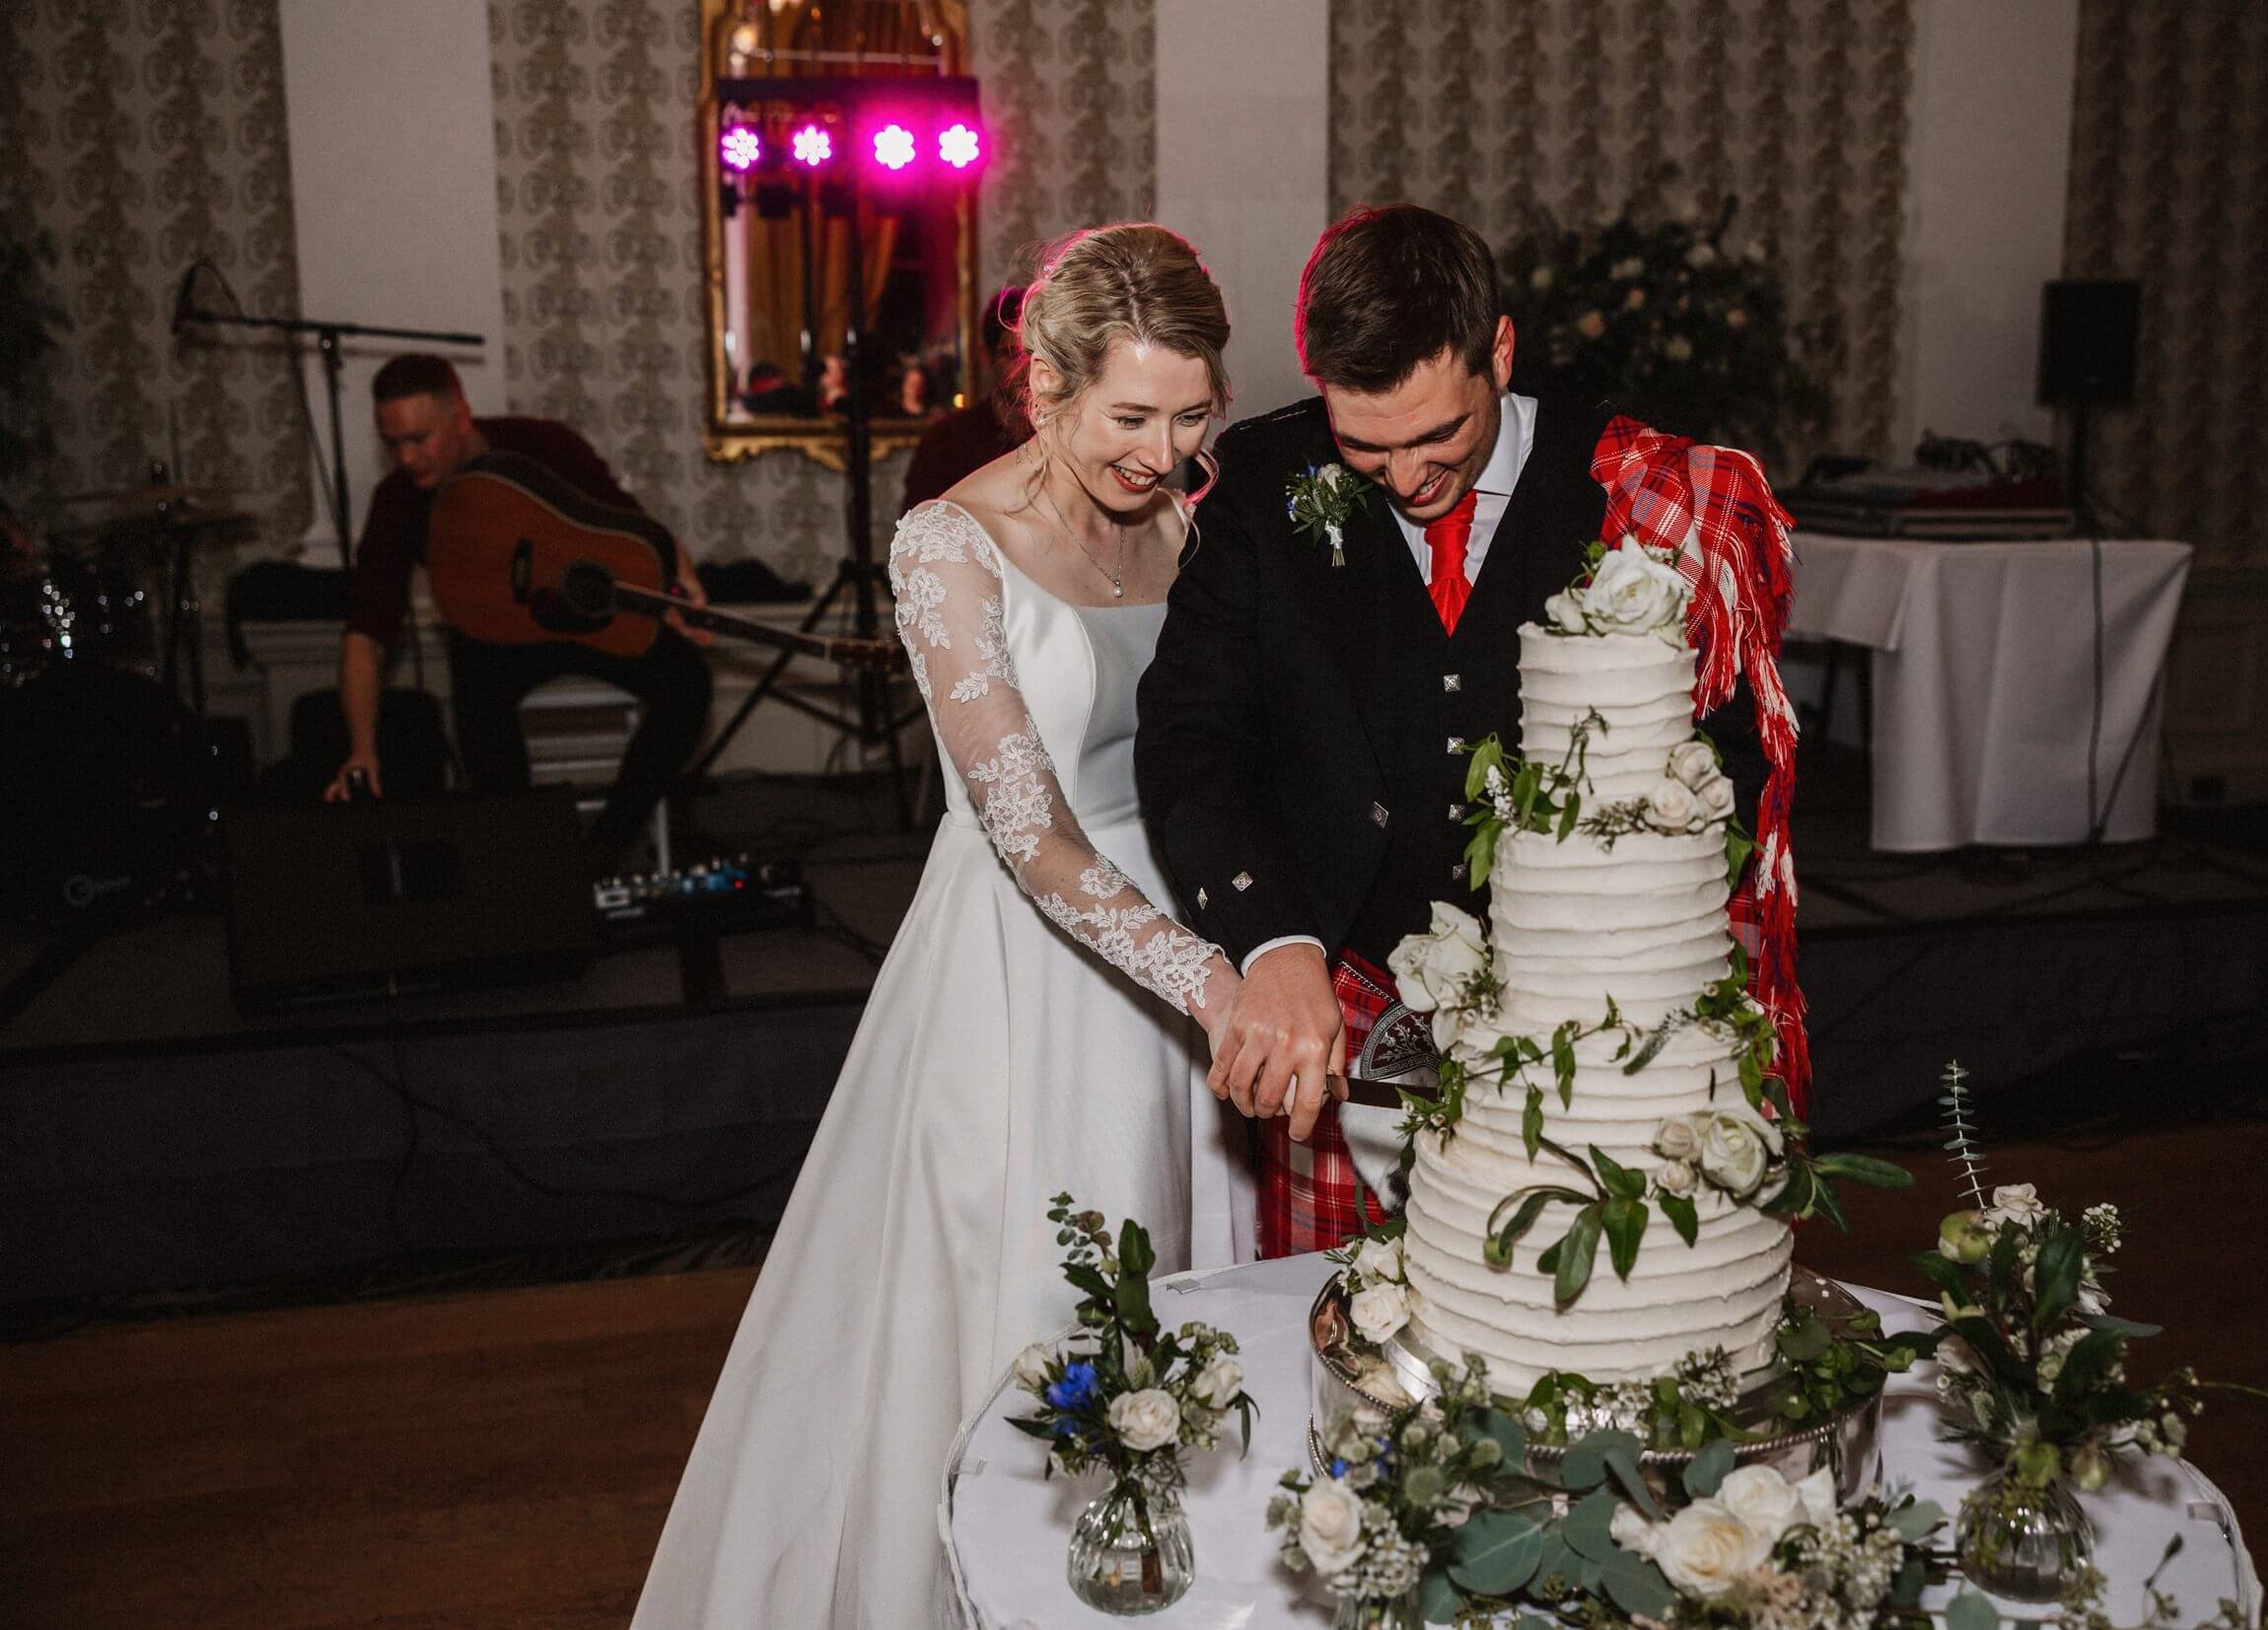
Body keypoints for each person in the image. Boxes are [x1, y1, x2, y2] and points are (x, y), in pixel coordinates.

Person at [633, 224, 1253, 1629]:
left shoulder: (1191, 518)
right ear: (1044, 385)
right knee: (1039, 1300)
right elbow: (1030, 836)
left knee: (1183, 1306)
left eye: (1193, 412)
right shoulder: (947, 547)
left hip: (1187, 944)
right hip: (1032, 976)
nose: (1165, 450)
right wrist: (1211, 985)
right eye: (1133, 416)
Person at [1136, 203, 1626, 1258]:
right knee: (1338, 1336)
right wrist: (1269, 941)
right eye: (1364, 445)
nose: (1406, 480)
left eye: (1437, 434)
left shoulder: (1624, 484)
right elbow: (1193, 733)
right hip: (1346, 989)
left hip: (1586, 1002)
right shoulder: (1263, 486)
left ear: (1498, 350)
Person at [324, 356, 713, 872]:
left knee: (688, 682)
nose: (407, 457)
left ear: (460, 418)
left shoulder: (543, 446)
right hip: (493, 635)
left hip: (582, 619)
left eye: (420, 438)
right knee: (479, 715)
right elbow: (366, 631)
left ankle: (606, 846)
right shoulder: (398, 501)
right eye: (393, 443)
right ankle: (523, 865)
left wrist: (680, 586)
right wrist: (361, 748)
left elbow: (637, 529)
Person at [899, 283, 1028, 512]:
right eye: (1012, 354)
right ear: (987, 357)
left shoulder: (1071, 433)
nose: (1026, 369)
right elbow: (920, 534)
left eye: (1035, 354)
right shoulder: (948, 442)